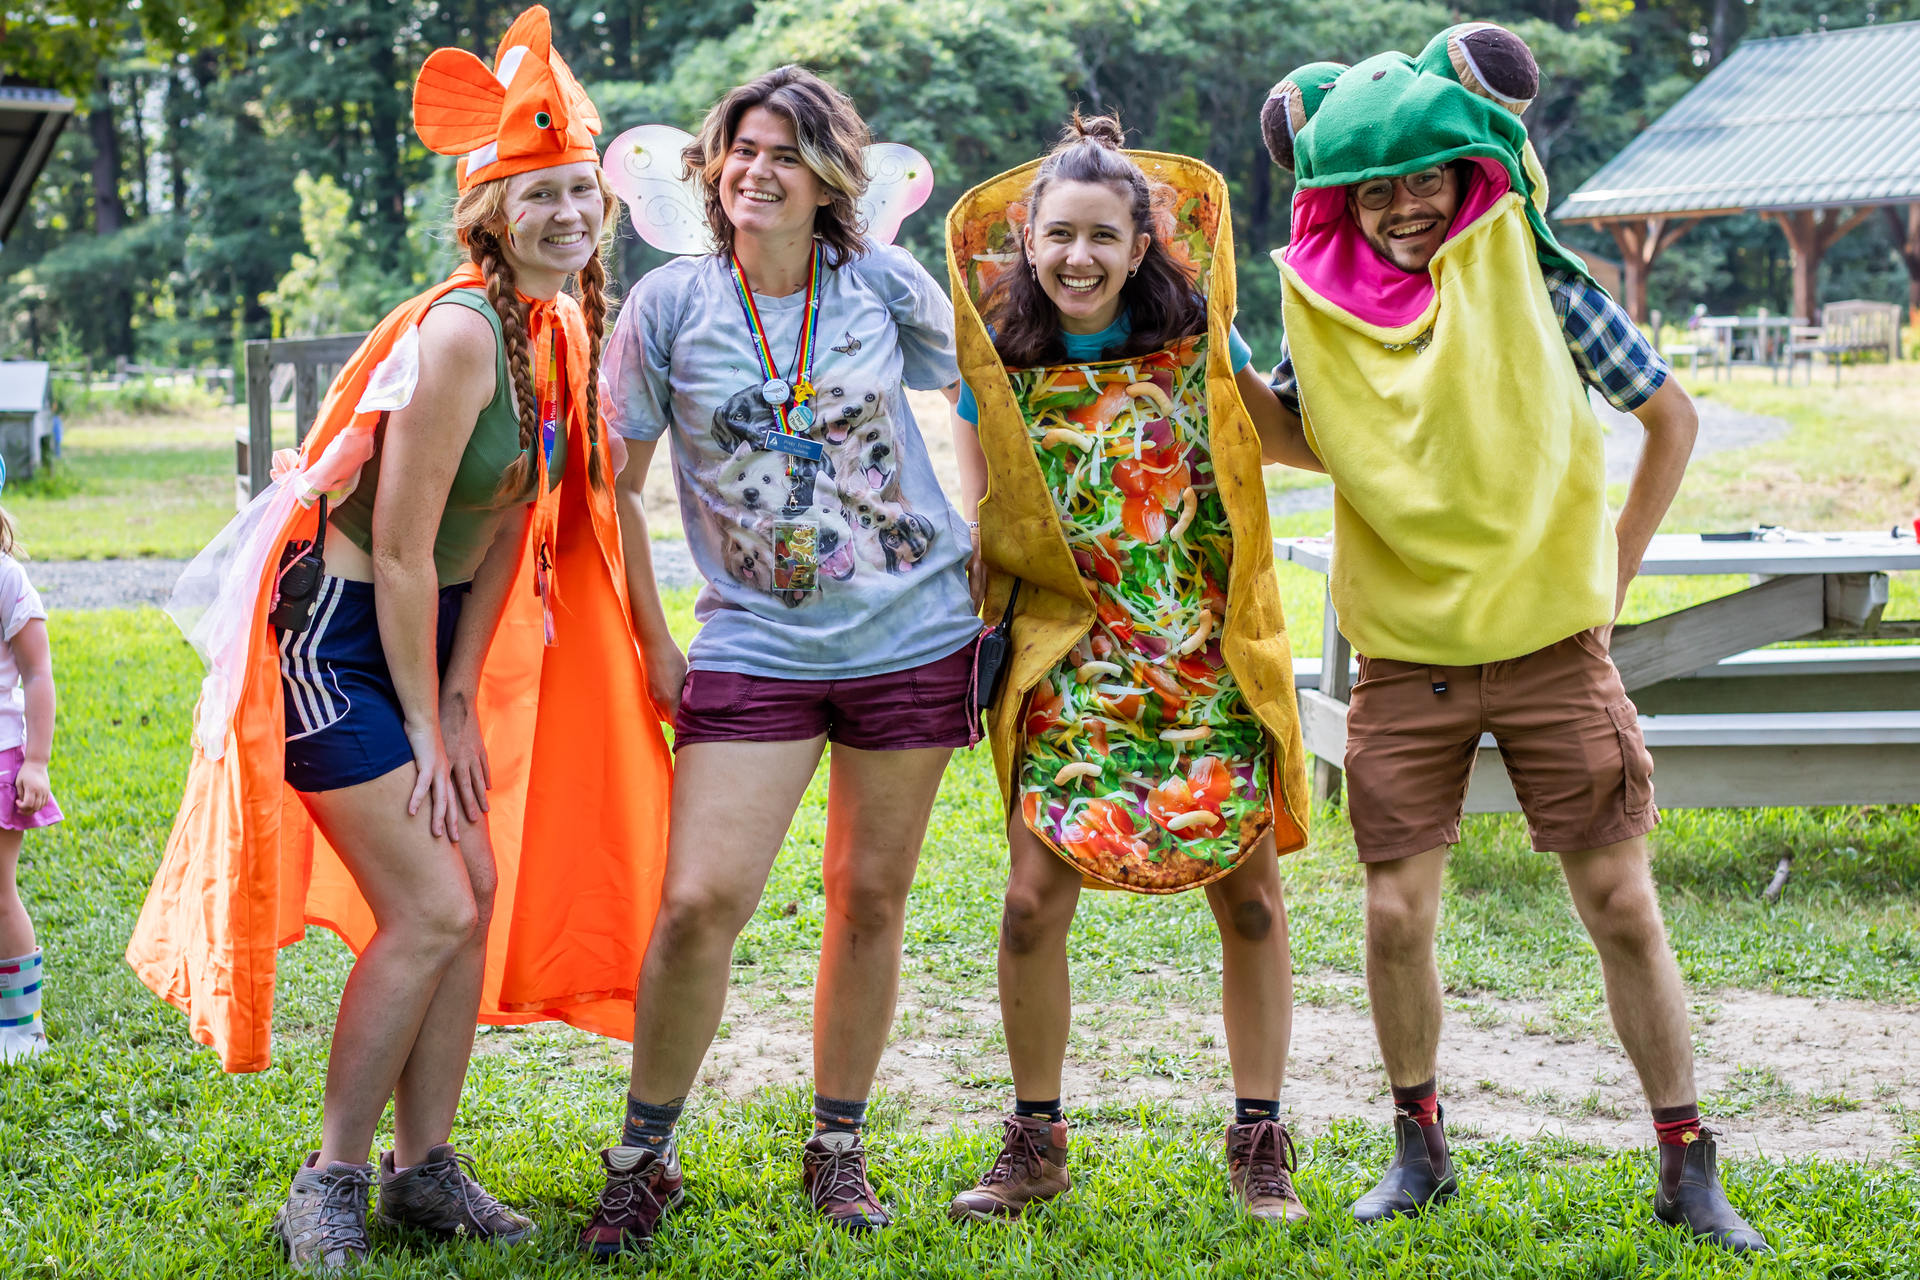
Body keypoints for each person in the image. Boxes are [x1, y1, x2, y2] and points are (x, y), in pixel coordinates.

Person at [127, 8, 672, 1273]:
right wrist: (425, 724)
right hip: (336, 640)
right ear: (489, 214)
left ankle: (424, 1169)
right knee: (430, 906)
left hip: (423, 646)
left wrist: (463, 703)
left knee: (472, 899)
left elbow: (510, 541)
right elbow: (414, 547)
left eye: (581, 194)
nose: (568, 215)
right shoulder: (462, 335)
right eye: (539, 197)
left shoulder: (558, 329)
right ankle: (329, 1175)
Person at [1258, 24, 1766, 1252]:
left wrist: (1610, 576)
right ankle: (1418, 1140)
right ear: (1344, 198)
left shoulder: (1537, 282)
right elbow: (1301, 435)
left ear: (1472, 173)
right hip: (1403, 657)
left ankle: (1686, 1157)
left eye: (1427, 178)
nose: (1403, 207)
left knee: (1622, 901)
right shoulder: (1327, 308)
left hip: (1551, 649)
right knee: (1393, 914)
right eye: (1376, 186)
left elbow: (1671, 416)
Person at [581, 65, 978, 1253]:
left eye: (787, 153)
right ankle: (644, 1154)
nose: (757, 170)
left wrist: (990, 544)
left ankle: (838, 1142)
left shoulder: (883, 285)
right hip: (752, 641)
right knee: (700, 902)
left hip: (913, 633)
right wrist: (656, 636)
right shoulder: (665, 307)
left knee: (869, 898)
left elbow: (982, 399)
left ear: (830, 181)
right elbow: (617, 487)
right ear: (711, 167)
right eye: (741, 149)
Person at [943, 114, 1317, 1224]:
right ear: (1028, 239)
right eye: (1059, 235)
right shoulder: (996, 363)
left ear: (1143, 242)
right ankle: (1035, 1138)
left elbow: (1293, 441)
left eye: (1104, 237)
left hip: (1205, 656)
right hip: (1072, 664)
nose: (1078, 258)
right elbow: (987, 521)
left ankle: (1259, 1137)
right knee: (1026, 903)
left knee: (1249, 903)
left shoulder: (1204, 343)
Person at [0, 500, 59, 1066]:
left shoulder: (6, 577)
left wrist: (35, 761)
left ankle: (21, 1031)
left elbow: (38, 672)